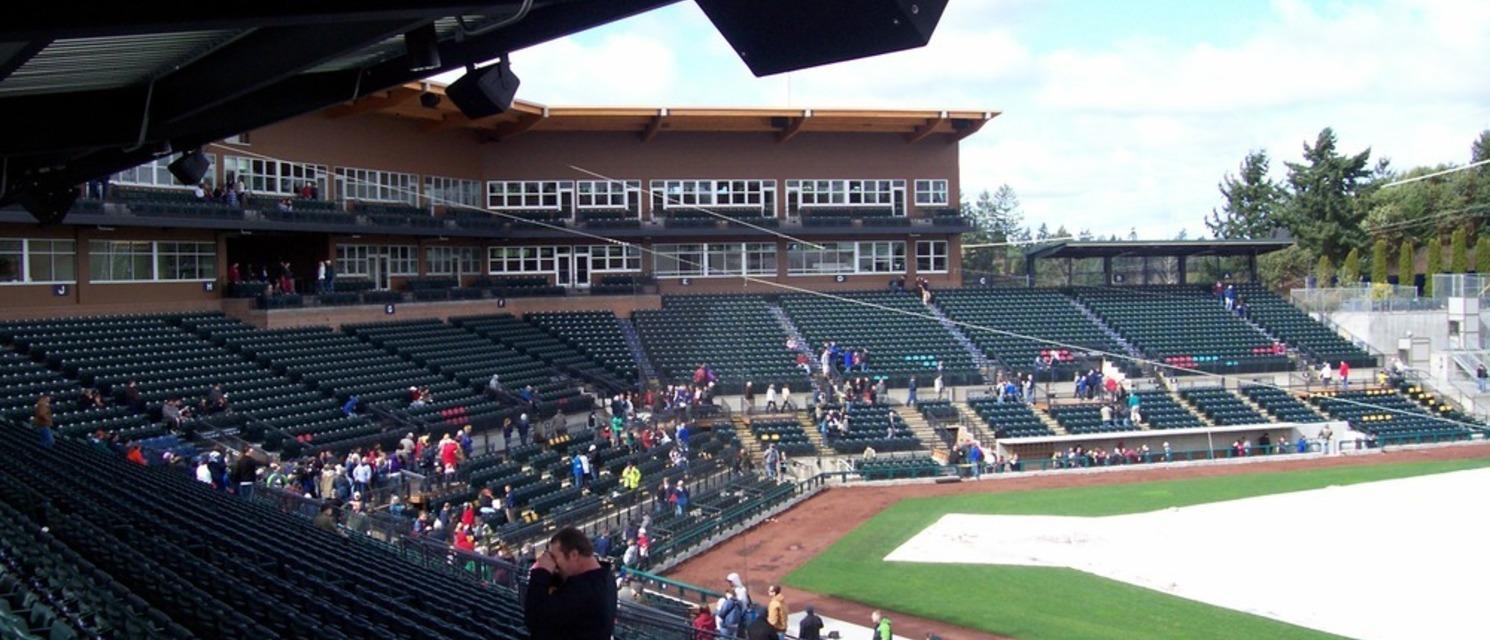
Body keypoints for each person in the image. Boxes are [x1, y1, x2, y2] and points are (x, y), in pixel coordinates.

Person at [524, 527, 617, 640]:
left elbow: (534, 619)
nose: (554, 565)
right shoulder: (605, 576)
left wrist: (541, 572)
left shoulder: (583, 591)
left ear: (574, 555)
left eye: (555, 558)